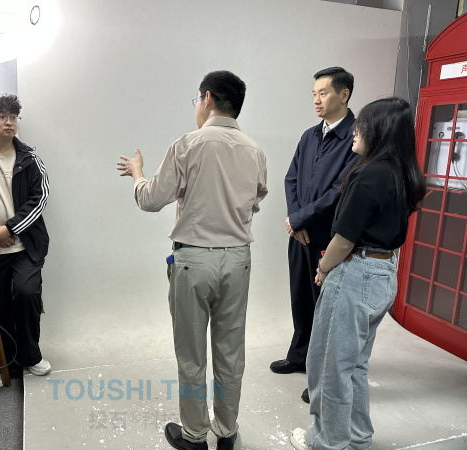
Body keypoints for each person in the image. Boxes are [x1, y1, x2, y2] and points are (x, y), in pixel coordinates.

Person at [117, 71, 267, 450]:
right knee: (230, 352)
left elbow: (151, 199)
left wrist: (137, 173)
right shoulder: (254, 150)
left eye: (197, 100)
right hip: (238, 260)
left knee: (192, 355)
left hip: (194, 261)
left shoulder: (188, 144)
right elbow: (255, 200)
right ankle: (226, 433)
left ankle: (195, 436)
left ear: (207, 98)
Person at [290, 97, 426, 450]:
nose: (354, 131)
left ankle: (326, 442)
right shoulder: (402, 173)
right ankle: (358, 439)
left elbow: (343, 241)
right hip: (384, 273)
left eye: (361, 125)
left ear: (378, 131)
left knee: (330, 367)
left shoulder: (367, 175)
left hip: (355, 274)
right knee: (354, 366)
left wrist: (323, 269)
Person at [273, 67, 359, 404]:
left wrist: (301, 219)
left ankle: (323, 375)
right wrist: (296, 221)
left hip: (329, 239)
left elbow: (341, 190)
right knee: (300, 296)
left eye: (323, 93)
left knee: (328, 309)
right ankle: (299, 355)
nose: (316, 100)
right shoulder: (310, 135)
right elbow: (291, 178)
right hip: (300, 234)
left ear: (344, 95)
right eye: (314, 94)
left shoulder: (356, 137)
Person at [0, 94, 51, 388]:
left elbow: (40, 198)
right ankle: (1, 363)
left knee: (27, 294)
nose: (9, 122)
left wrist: (11, 229)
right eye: (2, 116)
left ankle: (30, 356)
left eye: (13, 117)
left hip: (25, 245)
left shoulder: (30, 159)